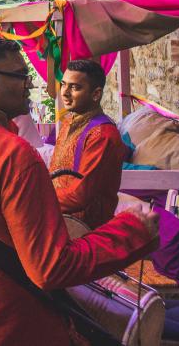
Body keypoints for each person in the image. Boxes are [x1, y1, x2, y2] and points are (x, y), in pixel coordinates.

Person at [0, 36, 160, 346]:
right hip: (5, 323)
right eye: (20, 76)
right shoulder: (13, 153)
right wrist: (133, 231)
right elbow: (50, 268)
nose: (29, 84)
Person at [49, 59, 128, 230]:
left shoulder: (102, 135)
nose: (65, 93)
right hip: (61, 220)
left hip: (86, 230)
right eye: (64, 85)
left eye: (75, 87)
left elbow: (80, 195)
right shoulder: (68, 122)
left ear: (96, 94)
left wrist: (38, 200)